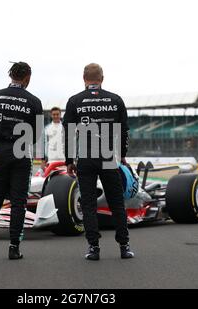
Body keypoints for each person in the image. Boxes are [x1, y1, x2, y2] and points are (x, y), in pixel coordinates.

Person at [63, 63, 134, 261]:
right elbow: (124, 132)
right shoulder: (115, 99)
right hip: (108, 156)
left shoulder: (75, 100)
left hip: (86, 157)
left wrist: (69, 160)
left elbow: (68, 133)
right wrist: (122, 155)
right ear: (102, 78)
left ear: (84, 78)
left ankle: (93, 247)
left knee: (88, 204)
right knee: (116, 202)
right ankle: (124, 246)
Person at [0, 62, 43, 259]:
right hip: (22, 152)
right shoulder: (34, 101)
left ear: (11, 75)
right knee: (18, 203)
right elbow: (37, 134)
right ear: (27, 77)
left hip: (1, 151)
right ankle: (14, 248)